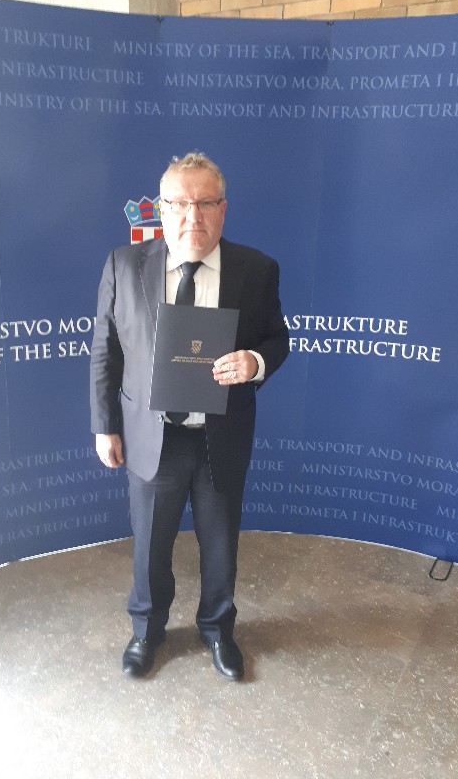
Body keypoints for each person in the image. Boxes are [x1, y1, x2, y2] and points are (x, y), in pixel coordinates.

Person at [90, 152, 288, 680]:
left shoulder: (256, 270)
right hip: (151, 436)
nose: (191, 216)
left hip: (220, 435)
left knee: (221, 543)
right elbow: (106, 351)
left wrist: (255, 361)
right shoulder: (123, 265)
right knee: (150, 546)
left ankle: (218, 629)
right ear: (162, 209)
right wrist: (105, 425)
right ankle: (146, 630)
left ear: (223, 208)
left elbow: (277, 338)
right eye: (179, 203)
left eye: (204, 203)